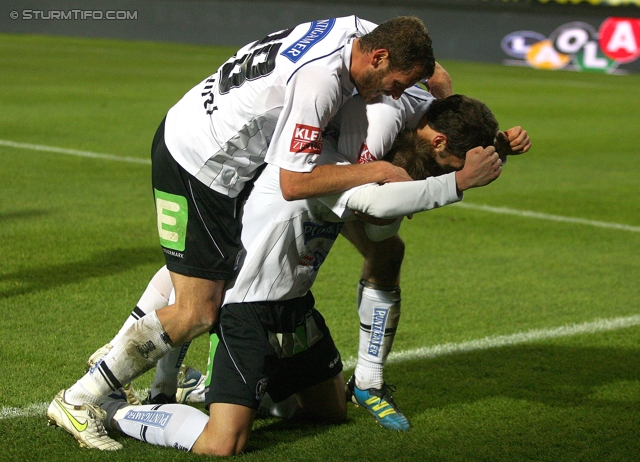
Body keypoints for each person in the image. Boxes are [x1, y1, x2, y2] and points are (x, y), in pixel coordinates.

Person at [46, 15, 439, 450]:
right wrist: (382, 169)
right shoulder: (320, 82)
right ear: (379, 57)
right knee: (198, 308)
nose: (396, 95)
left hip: (213, 142)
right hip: (201, 164)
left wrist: (449, 100)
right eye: (397, 83)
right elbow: (295, 183)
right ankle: (82, 397)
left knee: (199, 273)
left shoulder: (356, 28)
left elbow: (433, 69)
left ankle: (160, 385)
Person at [98, 97, 506, 455]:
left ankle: (232, 390)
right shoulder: (322, 168)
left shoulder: (365, 166)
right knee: (224, 443)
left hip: (294, 307)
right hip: (247, 309)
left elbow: (383, 227)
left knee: (329, 412)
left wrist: (495, 150)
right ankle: (115, 409)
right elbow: (379, 206)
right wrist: (458, 181)